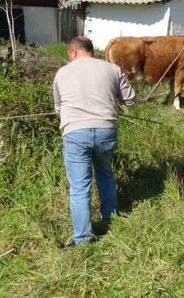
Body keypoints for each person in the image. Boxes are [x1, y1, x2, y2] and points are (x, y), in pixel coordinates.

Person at [53, 36, 135, 247]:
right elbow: (131, 99)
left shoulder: (62, 72)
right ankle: (110, 217)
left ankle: (82, 239)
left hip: (75, 132)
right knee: (105, 173)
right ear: (91, 51)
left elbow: (58, 108)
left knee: (79, 187)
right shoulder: (112, 69)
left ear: (73, 52)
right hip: (105, 130)